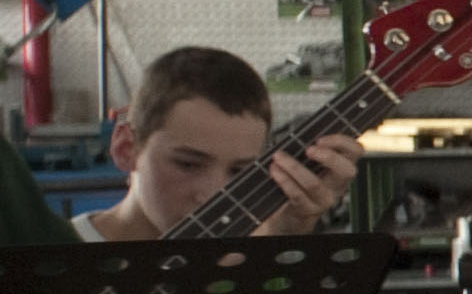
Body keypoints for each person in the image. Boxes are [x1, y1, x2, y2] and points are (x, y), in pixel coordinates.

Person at [74, 45, 358, 238]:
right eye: (188, 164)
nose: (215, 194)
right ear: (126, 149)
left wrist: (286, 231)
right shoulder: (57, 256)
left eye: (239, 171)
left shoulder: (242, 257)